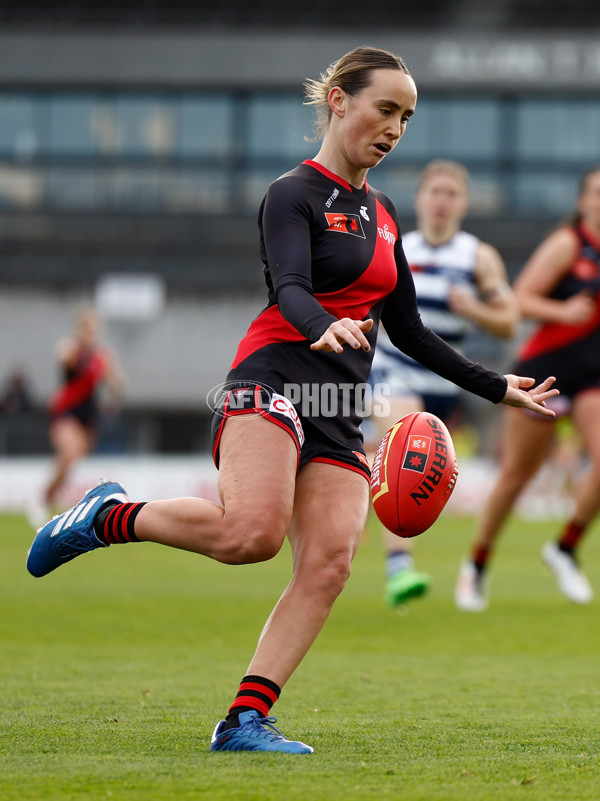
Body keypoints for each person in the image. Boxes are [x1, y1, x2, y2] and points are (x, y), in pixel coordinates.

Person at [27, 46, 557, 755]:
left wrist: (497, 385)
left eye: (406, 117)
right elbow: (290, 287)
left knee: (331, 563)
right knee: (251, 535)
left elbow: (408, 330)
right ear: (339, 101)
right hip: (273, 377)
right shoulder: (293, 193)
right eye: (386, 109)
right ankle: (108, 515)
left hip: (337, 405)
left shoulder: (385, 213)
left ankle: (244, 721)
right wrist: (321, 324)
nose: (395, 128)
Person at [368, 160, 519, 607]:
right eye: (434, 192)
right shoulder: (396, 246)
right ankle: (399, 567)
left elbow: (509, 322)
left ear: (463, 204)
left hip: (445, 380)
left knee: (406, 469)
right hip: (392, 370)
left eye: (451, 194)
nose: (442, 201)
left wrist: (474, 309)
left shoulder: (477, 257)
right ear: (419, 199)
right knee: (400, 451)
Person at [455, 165, 600, 612]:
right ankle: (476, 564)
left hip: (593, 376)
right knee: (518, 474)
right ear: (582, 201)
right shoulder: (568, 244)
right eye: (597, 192)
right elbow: (519, 298)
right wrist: (563, 312)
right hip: (545, 374)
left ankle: (565, 547)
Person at [27, 307, 124, 526]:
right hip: (66, 410)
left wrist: (115, 387)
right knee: (69, 452)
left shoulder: (101, 356)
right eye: (87, 328)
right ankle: (42, 497)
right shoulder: (72, 349)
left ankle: (50, 497)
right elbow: (63, 358)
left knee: (73, 458)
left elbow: (115, 381)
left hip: (87, 416)